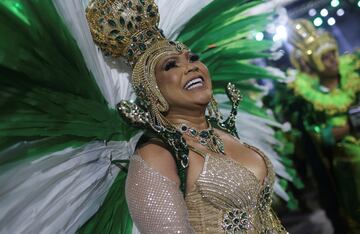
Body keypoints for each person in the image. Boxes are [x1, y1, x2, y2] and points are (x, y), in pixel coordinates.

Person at [0, 0, 292, 233]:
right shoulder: (157, 155)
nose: (190, 66)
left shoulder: (224, 132)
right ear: (152, 91)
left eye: (192, 58)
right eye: (170, 66)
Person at [284, 19, 360, 233]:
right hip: (348, 166)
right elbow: (320, 138)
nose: (331, 60)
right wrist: (350, 127)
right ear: (313, 63)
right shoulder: (309, 97)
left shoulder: (354, 76)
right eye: (324, 58)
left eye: (332, 54)